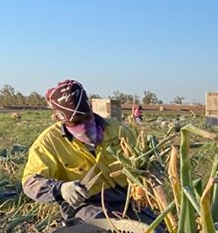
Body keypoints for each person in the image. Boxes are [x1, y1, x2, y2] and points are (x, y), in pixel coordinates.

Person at [22, 79, 154, 224]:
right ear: (59, 118)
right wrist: (61, 188)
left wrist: (148, 175)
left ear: (90, 109)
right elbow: (30, 182)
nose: (84, 126)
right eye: (76, 123)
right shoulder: (49, 143)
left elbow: (143, 161)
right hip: (87, 206)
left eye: (86, 118)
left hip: (128, 200)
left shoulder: (118, 130)